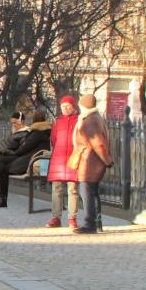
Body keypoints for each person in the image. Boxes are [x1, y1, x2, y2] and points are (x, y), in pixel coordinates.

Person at [71, 94, 113, 234]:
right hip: (92, 161)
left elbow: (98, 143)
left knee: (87, 193)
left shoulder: (89, 120)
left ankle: (90, 224)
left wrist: (107, 160)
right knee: (93, 193)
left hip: (90, 162)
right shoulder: (96, 117)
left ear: (83, 105)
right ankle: (97, 223)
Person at [46, 97, 81, 228]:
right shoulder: (58, 122)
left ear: (73, 107)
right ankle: (56, 217)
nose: (65, 109)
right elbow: (54, 140)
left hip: (73, 158)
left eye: (68, 106)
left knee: (72, 189)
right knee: (57, 189)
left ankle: (72, 218)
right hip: (59, 159)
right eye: (63, 107)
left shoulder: (79, 120)